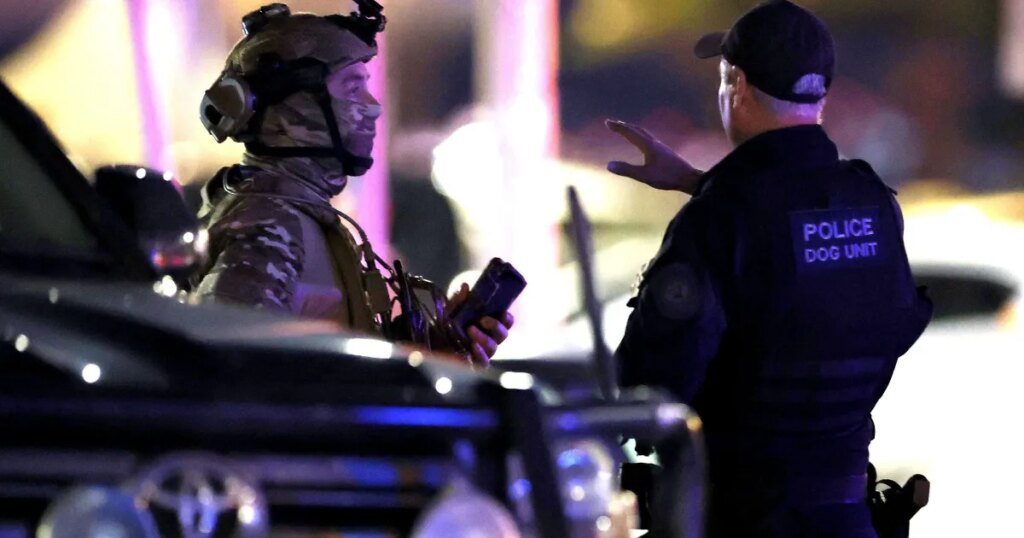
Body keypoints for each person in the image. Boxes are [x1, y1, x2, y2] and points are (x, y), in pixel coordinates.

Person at [606, 1, 933, 536]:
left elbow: (651, 384)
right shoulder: (871, 202)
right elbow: (792, 237)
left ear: (735, 83)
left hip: (739, 516)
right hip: (848, 518)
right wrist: (698, 183)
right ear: (821, 94)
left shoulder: (715, 222)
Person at [191, 3, 511, 365]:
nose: (373, 106)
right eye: (353, 87)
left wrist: (429, 348)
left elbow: (318, 351)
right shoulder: (266, 223)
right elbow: (232, 369)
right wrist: (410, 366)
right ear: (299, 105)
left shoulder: (298, 214)